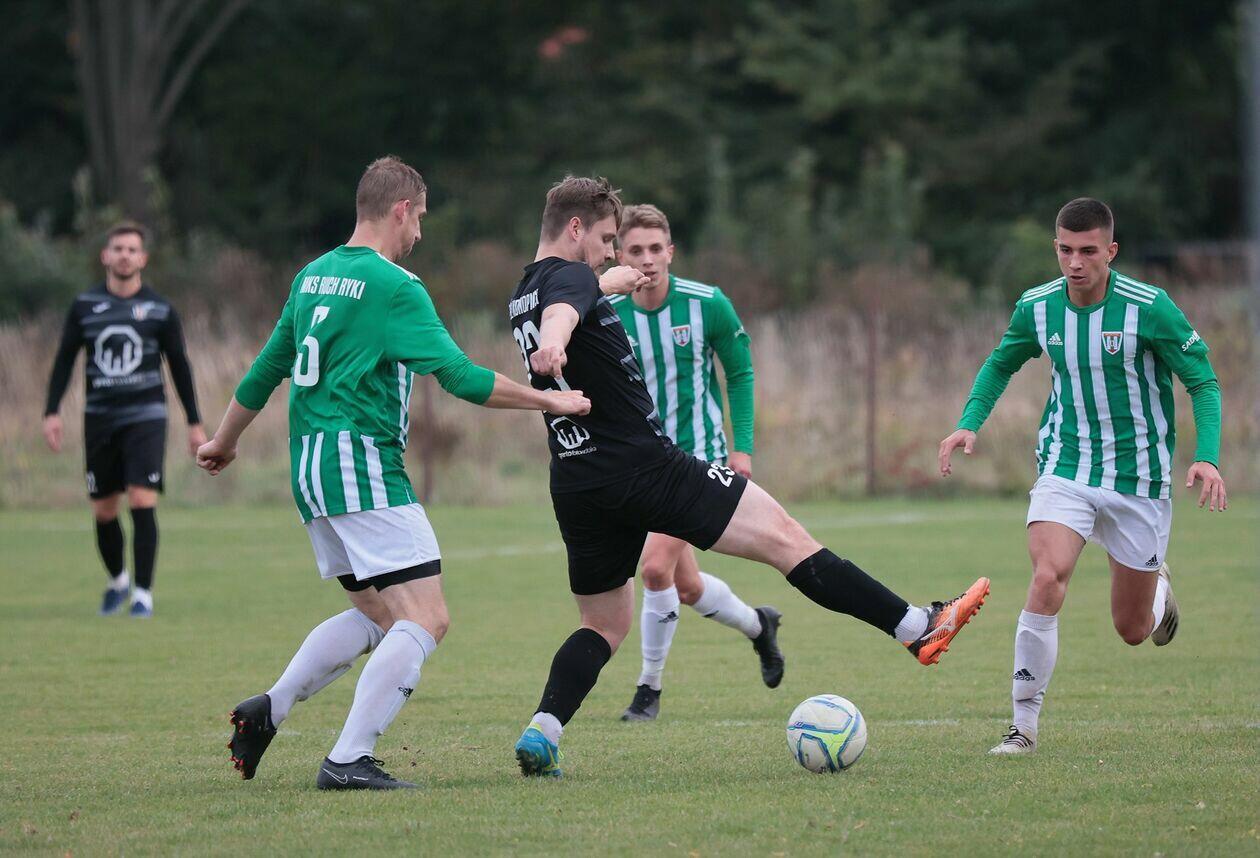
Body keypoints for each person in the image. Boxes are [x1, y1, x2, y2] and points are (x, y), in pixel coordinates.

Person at [507, 175, 991, 777]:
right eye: (608, 240)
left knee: (603, 623)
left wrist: (601, 291)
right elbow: (565, 310)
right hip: (643, 467)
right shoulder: (567, 283)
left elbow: (572, 297)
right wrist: (555, 343)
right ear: (575, 228)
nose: (610, 252)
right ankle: (918, 626)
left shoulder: (524, 291)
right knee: (787, 539)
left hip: (576, 480)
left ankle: (543, 732)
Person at [196, 156, 591, 791]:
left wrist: (224, 439)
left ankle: (269, 708)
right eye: (421, 218)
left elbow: (267, 368)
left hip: (310, 469)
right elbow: (461, 377)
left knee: (382, 616)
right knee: (427, 617)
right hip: (360, 463)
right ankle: (347, 759)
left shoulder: (313, 276)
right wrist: (551, 400)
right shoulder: (395, 286)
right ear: (401, 209)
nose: (420, 234)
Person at [938, 197, 1226, 756]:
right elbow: (1000, 362)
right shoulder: (1038, 307)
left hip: (1139, 478)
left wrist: (1207, 455)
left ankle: (1158, 589)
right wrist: (968, 422)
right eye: (1066, 250)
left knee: (1132, 629)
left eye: (1088, 251)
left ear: (1110, 251)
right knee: (1048, 577)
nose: (1075, 262)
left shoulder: (1150, 308)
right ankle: (1023, 728)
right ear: (1056, 248)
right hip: (1065, 464)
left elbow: (1203, 382)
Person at [609, 203, 782, 722]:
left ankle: (648, 690)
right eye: (635, 250)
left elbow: (740, 373)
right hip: (639, 463)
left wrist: (742, 447)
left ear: (671, 252)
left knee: (653, 568)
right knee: (685, 586)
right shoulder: (607, 312)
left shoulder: (707, 304)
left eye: (654, 249)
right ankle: (759, 625)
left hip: (695, 459)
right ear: (619, 256)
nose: (646, 259)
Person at [43, 222, 205, 618]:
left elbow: (179, 366)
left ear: (143, 259)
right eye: (118, 248)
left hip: (146, 415)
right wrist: (51, 411)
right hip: (99, 417)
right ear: (106, 256)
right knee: (104, 509)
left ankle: (143, 594)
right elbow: (64, 360)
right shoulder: (84, 306)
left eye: (132, 249)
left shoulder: (160, 310)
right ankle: (118, 580)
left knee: (141, 498)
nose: (125, 256)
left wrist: (194, 422)